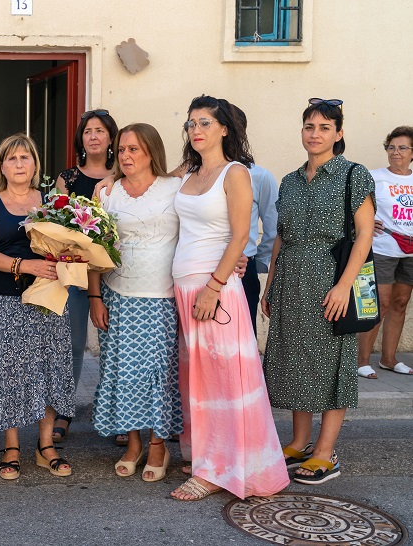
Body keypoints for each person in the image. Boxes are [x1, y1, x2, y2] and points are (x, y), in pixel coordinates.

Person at [171, 95, 288, 501]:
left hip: (213, 290)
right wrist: (111, 182)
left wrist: (215, 285)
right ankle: (208, 455)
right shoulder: (189, 172)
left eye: (205, 122)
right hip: (184, 289)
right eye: (190, 123)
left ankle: (218, 469)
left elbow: (241, 234)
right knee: (198, 383)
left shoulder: (235, 173)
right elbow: (150, 185)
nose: (196, 129)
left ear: (224, 128)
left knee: (222, 382)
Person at [262, 98, 376, 485]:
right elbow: (280, 236)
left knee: (331, 364)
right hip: (292, 279)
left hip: (331, 278)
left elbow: (363, 235)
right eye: (309, 126)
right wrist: (271, 282)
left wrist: (345, 285)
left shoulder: (352, 175)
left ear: (339, 134)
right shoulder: (290, 180)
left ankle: (326, 453)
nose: (315, 134)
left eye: (324, 127)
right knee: (296, 360)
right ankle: (299, 442)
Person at [0, 134, 75, 479]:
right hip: (6, 300)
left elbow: (70, 246)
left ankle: (46, 446)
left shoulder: (52, 203)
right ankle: (12, 445)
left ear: (35, 164)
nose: (19, 164)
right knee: (8, 373)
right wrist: (25, 266)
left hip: (49, 300)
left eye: (25, 158)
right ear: (2, 165)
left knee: (48, 368)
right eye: (12, 158)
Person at [89, 124, 182, 481]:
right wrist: (95, 296)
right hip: (117, 295)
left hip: (161, 297)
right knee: (122, 372)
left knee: (158, 373)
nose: (126, 156)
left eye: (134, 150)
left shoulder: (175, 188)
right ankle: (133, 443)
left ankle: (159, 444)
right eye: (122, 150)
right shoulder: (108, 193)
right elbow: (95, 250)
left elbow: (201, 227)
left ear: (151, 152)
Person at [52, 109, 119, 444]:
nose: (93, 136)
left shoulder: (123, 175)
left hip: (118, 271)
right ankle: (64, 410)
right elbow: (58, 223)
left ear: (111, 138)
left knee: (117, 344)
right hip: (77, 272)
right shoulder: (68, 178)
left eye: (100, 131)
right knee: (74, 342)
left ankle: (118, 412)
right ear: (81, 139)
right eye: (87, 131)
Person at [357, 126, 413, 377]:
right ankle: (362, 361)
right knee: (379, 303)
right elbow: (354, 206)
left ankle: (389, 359)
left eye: (402, 148)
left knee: (401, 303)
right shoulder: (373, 177)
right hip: (383, 248)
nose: (395, 152)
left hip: (410, 252)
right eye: (391, 147)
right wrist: (367, 220)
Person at [230, 106, 278, 335]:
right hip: (200, 266)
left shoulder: (260, 176)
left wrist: (257, 259)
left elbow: (272, 227)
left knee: (243, 336)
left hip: (242, 267)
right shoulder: (195, 175)